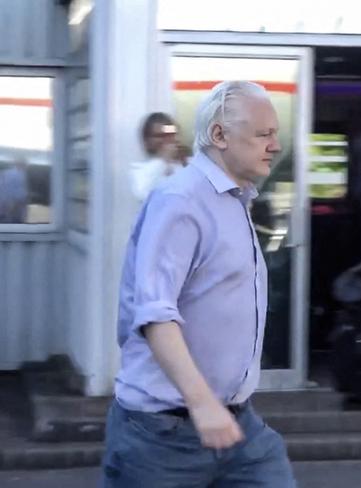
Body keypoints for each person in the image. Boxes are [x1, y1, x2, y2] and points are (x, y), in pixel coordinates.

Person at [101, 81, 296, 487]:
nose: (275, 145)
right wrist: (203, 404)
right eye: (264, 134)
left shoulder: (234, 200)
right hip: (162, 437)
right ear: (220, 135)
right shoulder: (181, 200)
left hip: (237, 428)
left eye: (275, 134)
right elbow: (155, 315)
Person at [129, 112, 184, 201]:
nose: (167, 140)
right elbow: (144, 194)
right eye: (160, 136)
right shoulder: (139, 170)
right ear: (147, 140)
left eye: (170, 135)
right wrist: (163, 160)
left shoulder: (181, 167)